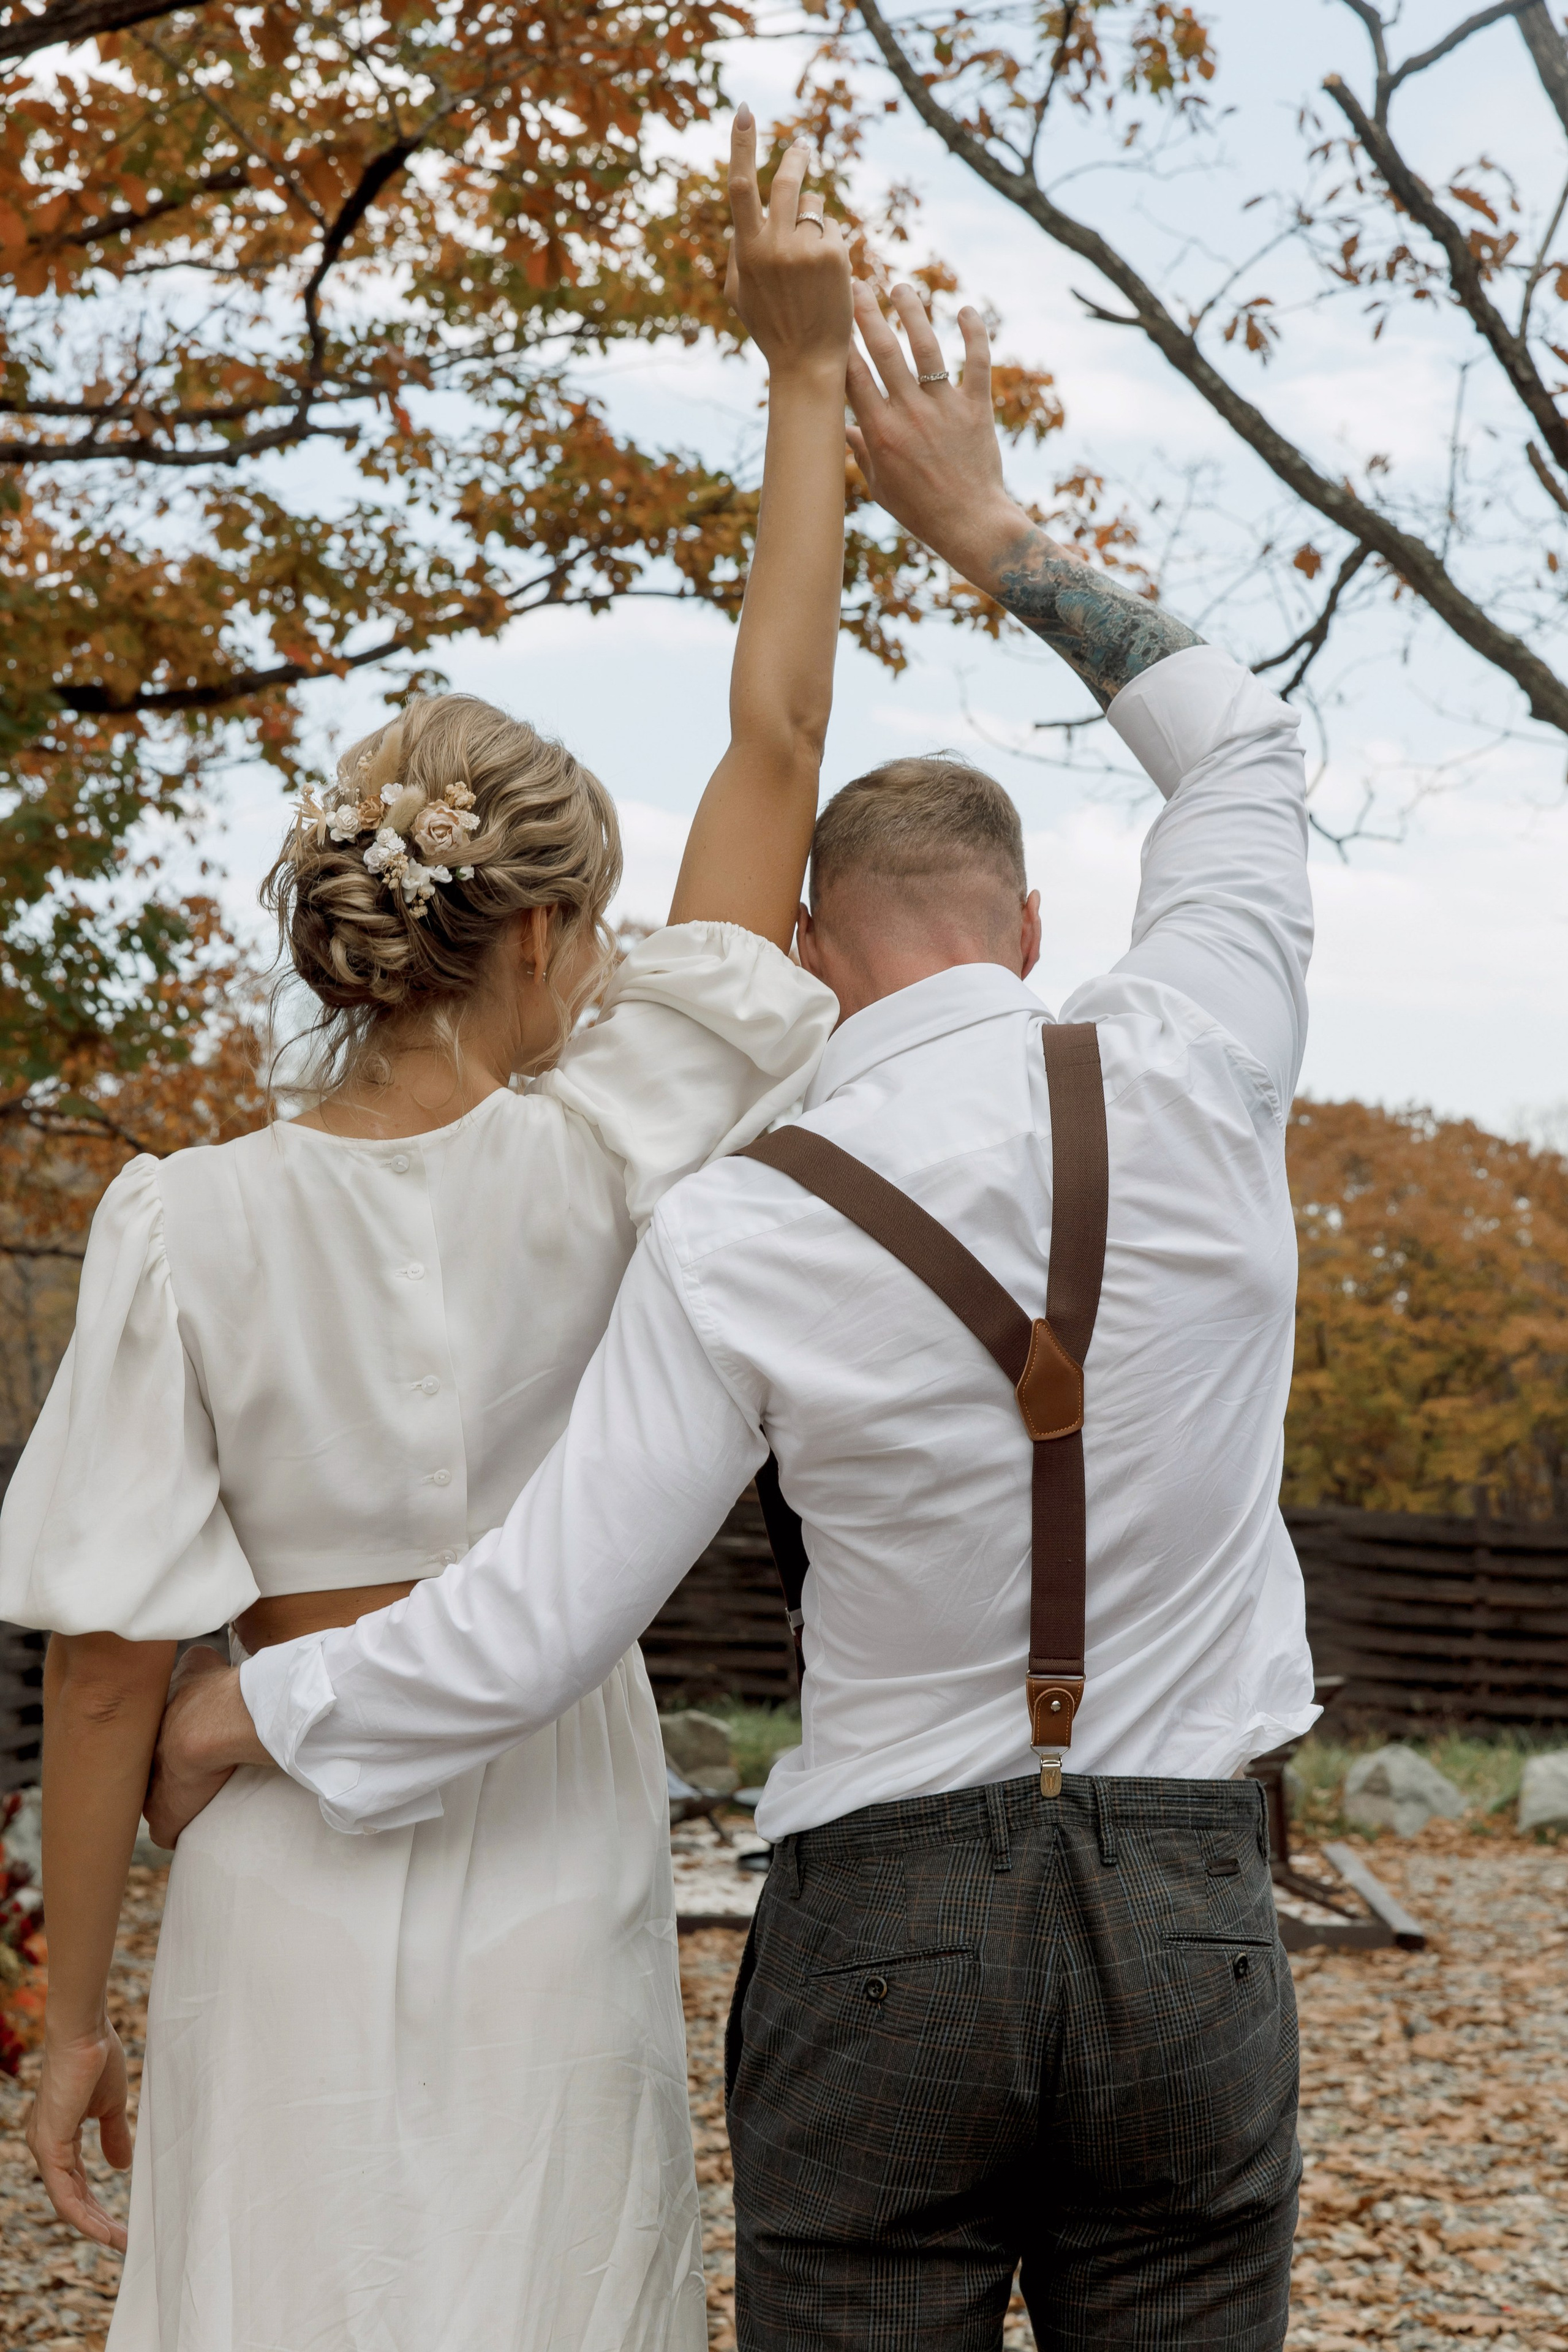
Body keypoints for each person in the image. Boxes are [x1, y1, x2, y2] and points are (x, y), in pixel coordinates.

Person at [151, 282, 1318, 2350]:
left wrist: (257, 1710)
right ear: (1032, 924)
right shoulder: (1204, 1059)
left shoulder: (741, 1221)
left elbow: (541, 1620)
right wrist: (987, 531)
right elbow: (1241, 741)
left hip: (883, 1932)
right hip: (1191, 1907)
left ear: (801, 946)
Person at [0, 113, 851, 2351]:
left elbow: (102, 1671)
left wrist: (71, 2009)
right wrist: (797, 375)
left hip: (269, 1819)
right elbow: (776, 739)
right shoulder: (620, 1146)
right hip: (546, 1786)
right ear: (556, 934)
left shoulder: (178, 1224)